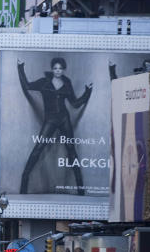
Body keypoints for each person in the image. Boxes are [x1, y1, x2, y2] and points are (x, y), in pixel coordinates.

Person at [17, 56, 93, 195]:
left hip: (64, 118)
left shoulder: (67, 82)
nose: (58, 71)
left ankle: (81, 190)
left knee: (71, 151)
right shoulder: (44, 82)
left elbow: (75, 103)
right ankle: (24, 182)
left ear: (63, 70)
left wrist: (88, 91)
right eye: (55, 68)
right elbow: (27, 86)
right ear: (52, 69)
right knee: (38, 148)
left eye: (60, 69)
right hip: (50, 119)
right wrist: (20, 67)